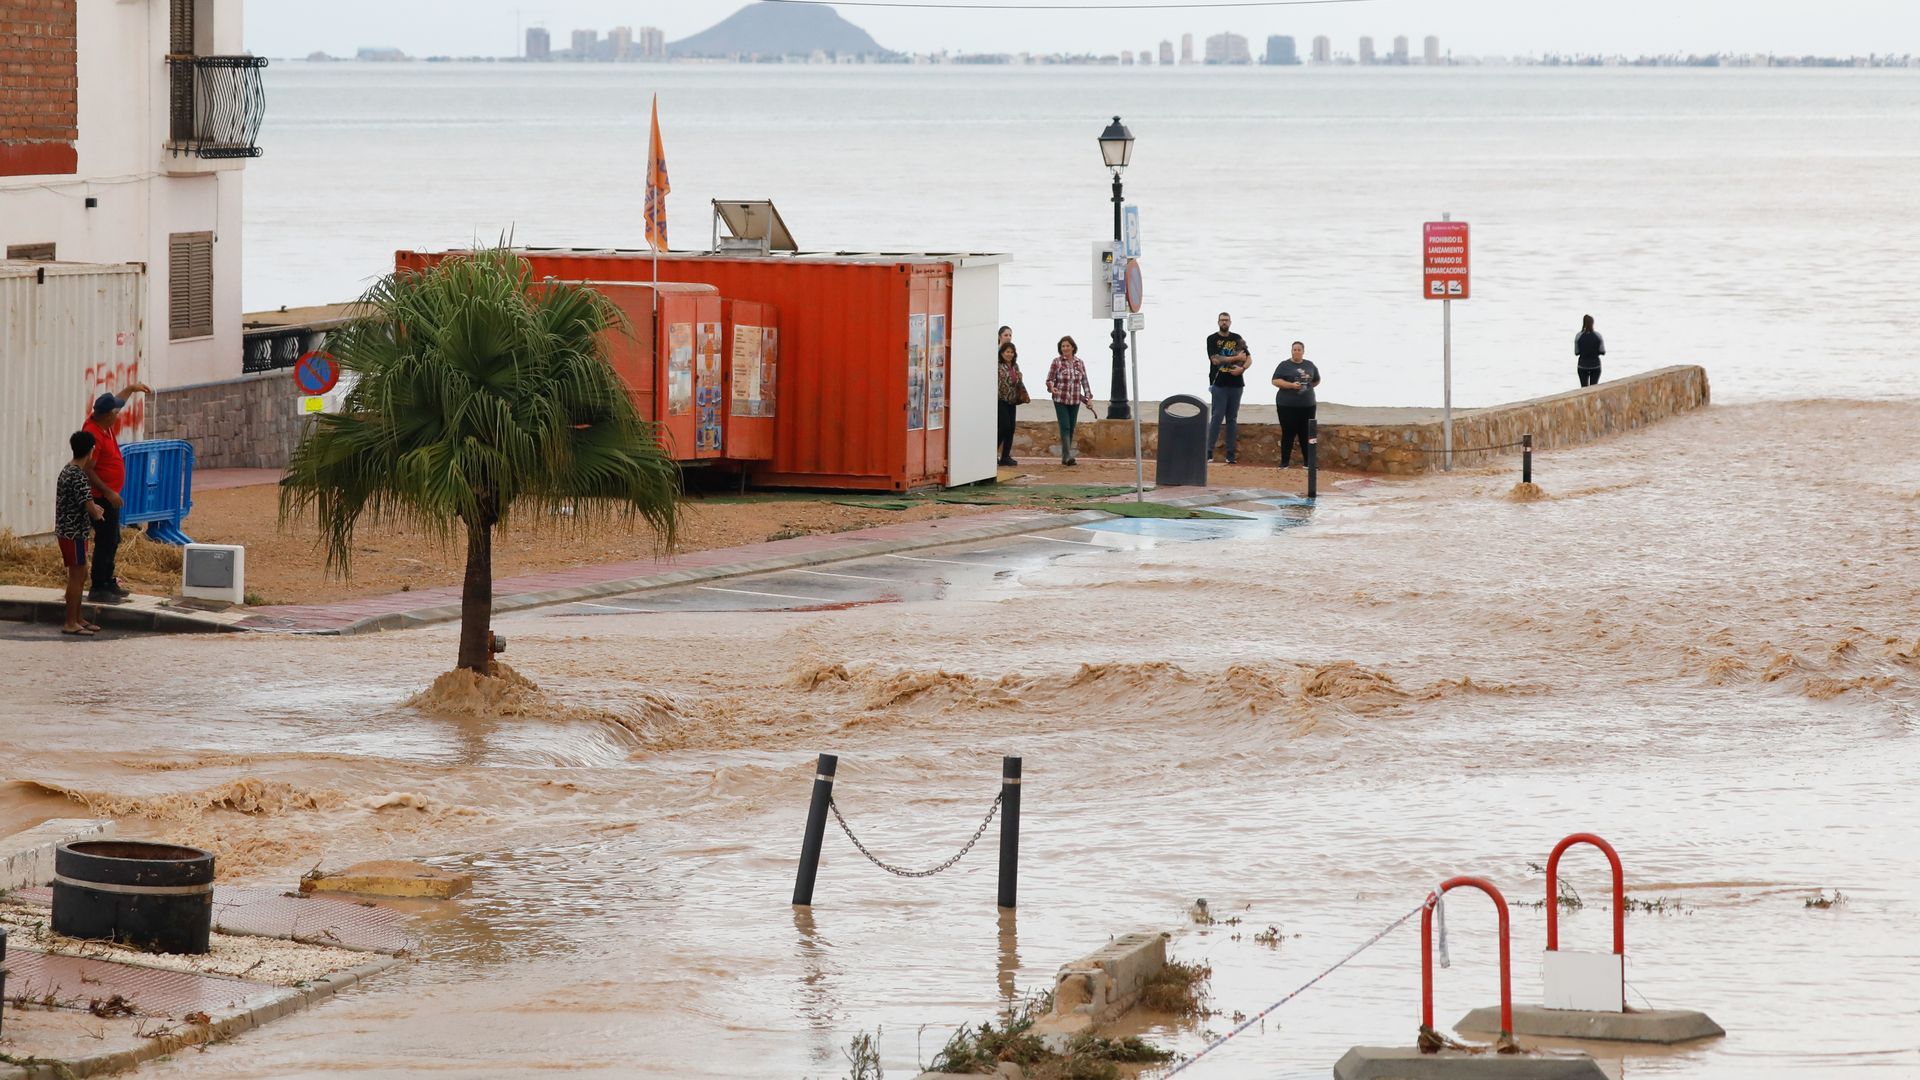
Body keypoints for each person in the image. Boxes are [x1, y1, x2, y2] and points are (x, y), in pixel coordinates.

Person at [81, 383, 150, 603]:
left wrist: (131, 389)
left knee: (112, 539)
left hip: (109, 495)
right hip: (101, 498)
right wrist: (108, 492)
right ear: (107, 415)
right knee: (105, 540)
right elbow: (87, 468)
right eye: (115, 413)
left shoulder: (105, 424)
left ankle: (107, 581)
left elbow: (117, 403)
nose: (118, 416)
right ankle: (99, 586)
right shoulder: (93, 434)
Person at [56, 431, 106, 636]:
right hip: (73, 532)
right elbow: (90, 507)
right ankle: (70, 622)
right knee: (76, 577)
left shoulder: (68, 470)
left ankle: (78, 618)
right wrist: (99, 512)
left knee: (81, 573)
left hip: (71, 532)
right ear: (91, 451)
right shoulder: (78, 476)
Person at [1205, 312, 1251, 464]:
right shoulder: (1212, 339)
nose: (1224, 322)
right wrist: (1236, 358)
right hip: (1219, 383)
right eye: (1222, 320)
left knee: (1232, 418)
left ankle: (1230, 455)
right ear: (1218, 322)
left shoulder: (1237, 338)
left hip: (1236, 384)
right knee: (1217, 416)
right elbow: (1216, 360)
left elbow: (1249, 359)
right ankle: (1208, 452)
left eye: (1226, 320)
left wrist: (1242, 369)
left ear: (1230, 322)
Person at [1045, 336, 1097, 467]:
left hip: (1075, 400)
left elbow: (1084, 381)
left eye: (1067, 346)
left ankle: (1065, 456)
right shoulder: (1056, 362)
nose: (1065, 348)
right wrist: (1052, 387)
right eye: (1063, 346)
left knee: (1071, 427)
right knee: (1065, 427)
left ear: (1073, 347)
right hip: (1060, 399)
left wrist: (1088, 397)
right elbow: (1049, 379)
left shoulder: (1079, 363)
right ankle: (1068, 456)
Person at [1270, 341, 1321, 469]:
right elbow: (1275, 381)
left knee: (1306, 434)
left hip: (1307, 405)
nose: (1296, 352)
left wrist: (1306, 388)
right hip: (1286, 405)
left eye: (1299, 350)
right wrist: (1291, 386)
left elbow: (1316, 380)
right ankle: (1284, 463)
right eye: (1294, 349)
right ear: (1291, 351)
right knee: (1288, 433)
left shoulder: (1310, 365)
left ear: (1303, 351)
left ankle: (1308, 463)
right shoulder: (1284, 365)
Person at [996, 341, 1029, 467]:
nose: (1009, 354)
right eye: (1007, 352)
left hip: (1012, 401)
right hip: (1001, 400)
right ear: (1002, 353)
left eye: (1011, 352)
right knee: (1004, 426)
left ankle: (1005, 456)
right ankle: (991, 452)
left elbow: (1017, 383)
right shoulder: (998, 366)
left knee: (1011, 429)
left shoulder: (1015, 366)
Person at [1575, 315, 1605, 387]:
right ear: (1592, 323)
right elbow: (1602, 351)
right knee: (1593, 388)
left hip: (1582, 365)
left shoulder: (1578, 336)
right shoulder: (1598, 336)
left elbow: (1576, 352)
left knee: (1584, 388)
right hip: (1595, 365)